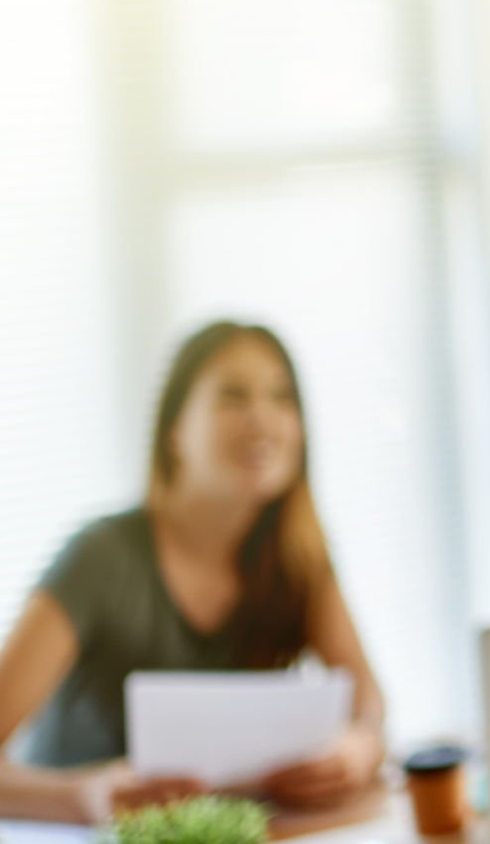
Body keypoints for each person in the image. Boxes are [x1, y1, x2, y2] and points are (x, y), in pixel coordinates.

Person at [0, 321, 388, 824]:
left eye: (281, 397)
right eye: (233, 396)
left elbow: (370, 708)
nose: (262, 419)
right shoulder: (98, 558)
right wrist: (84, 796)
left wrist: (358, 749)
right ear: (174, 432)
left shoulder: (297, 559)